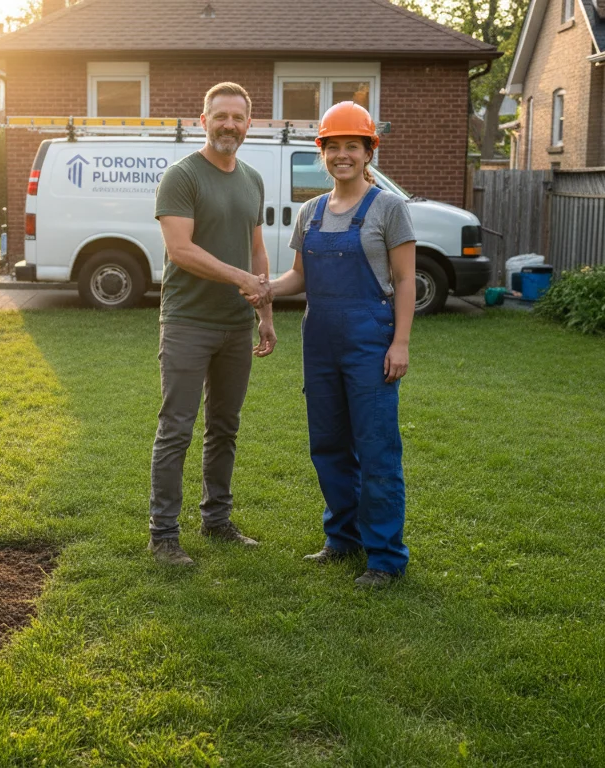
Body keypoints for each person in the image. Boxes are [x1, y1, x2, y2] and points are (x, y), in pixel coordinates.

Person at [267, 101, 416, 587]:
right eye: (333, 147)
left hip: (371, 338)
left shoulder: (389, 208)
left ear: (369, 150)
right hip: (321, 339)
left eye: (353, 146)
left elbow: (405, 280)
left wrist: (400, 343)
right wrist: (267, 288)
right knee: (328, 444)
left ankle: (386, 557)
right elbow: (298, 277)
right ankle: (342, 537)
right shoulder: (310, 211)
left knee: (375, 448)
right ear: (322, 154)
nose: (342, 155)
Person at [148, 82, 277, 566]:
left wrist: (263, 312)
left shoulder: (251, 179)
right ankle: (163, 535)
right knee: (176, 428)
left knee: (225, 427)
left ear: (249, 123)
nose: (229, 125)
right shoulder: (182, 177)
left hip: (234, 325)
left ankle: (217, 521)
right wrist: (241, 277)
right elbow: (180, 249)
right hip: (188, 321)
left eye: (237, 118)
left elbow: (257, 247)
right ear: (203, 121)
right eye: (220, 116)